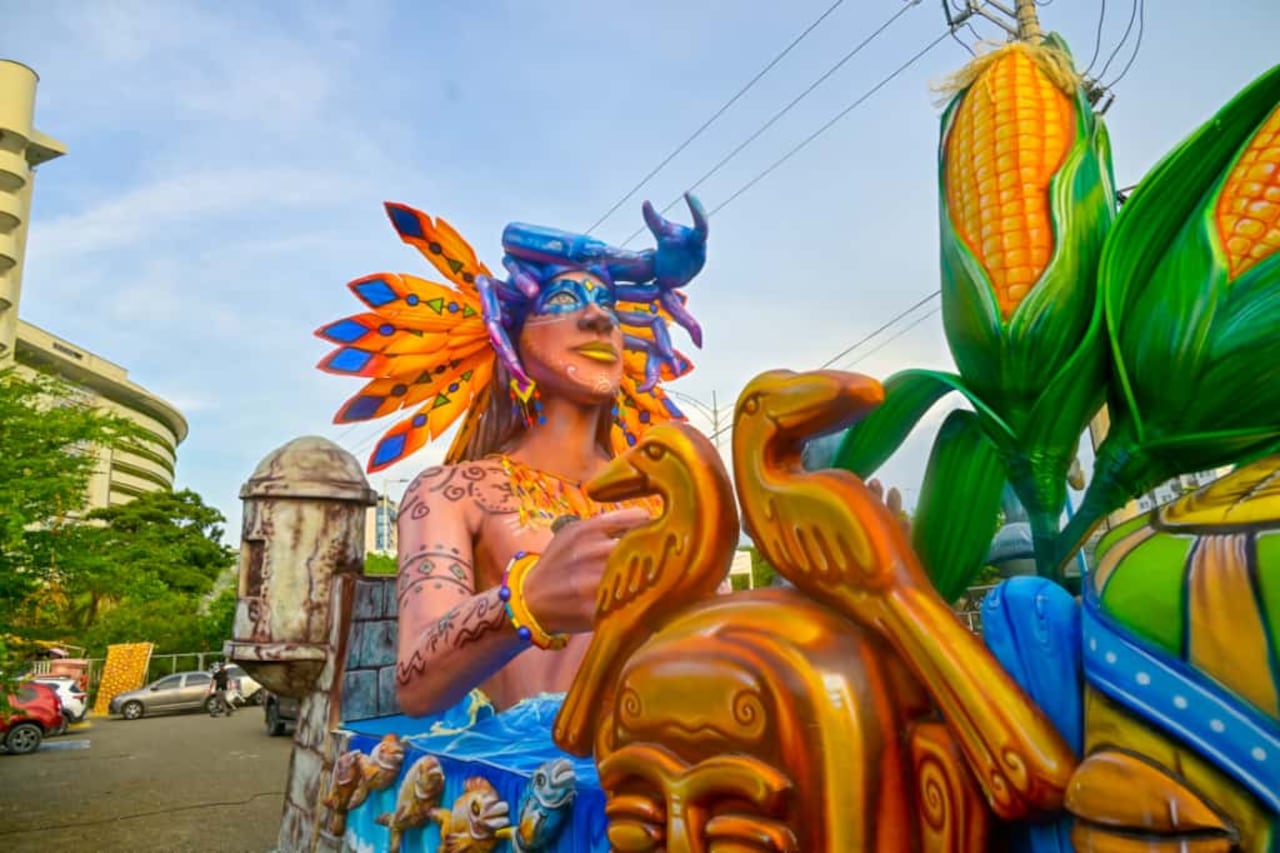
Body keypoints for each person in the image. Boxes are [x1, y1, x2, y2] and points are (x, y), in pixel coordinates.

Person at [316, 196, 710, 717]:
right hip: (529, 765)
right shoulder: (450, 493)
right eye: (563, 300)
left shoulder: (663, 503)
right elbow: (415, 683)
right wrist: (526, 601)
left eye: (607, 305)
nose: (597, 318)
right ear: (507, 335)